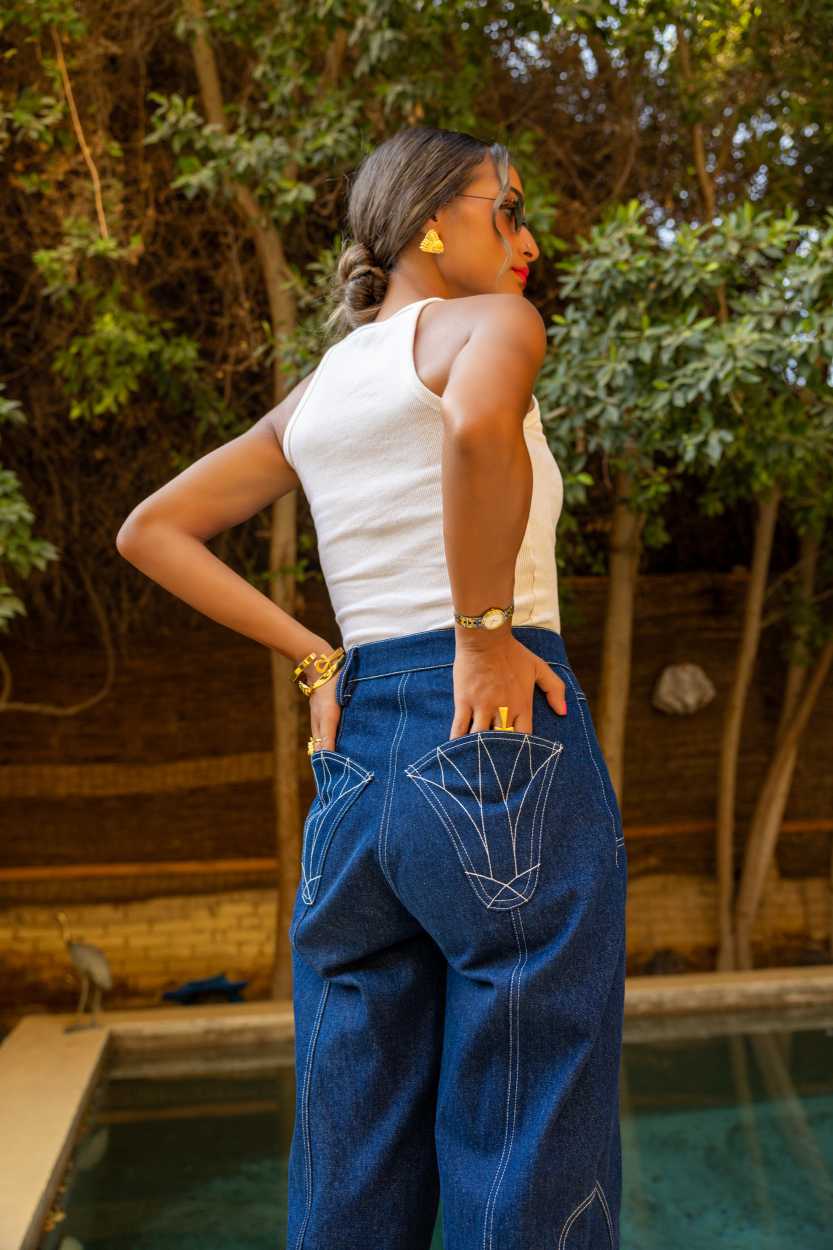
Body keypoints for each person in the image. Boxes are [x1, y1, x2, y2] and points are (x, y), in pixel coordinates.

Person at [116, 124, 628, 1250]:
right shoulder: (489, 323)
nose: (526, 239)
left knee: (352, 1123)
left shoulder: (320, 390)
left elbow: (153, 528)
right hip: (493, 727)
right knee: (530, 1102)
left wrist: (319, 660)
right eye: (508, 207)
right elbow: (479, 422)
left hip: (357, 762)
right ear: (435, 221)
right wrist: (483, 630)